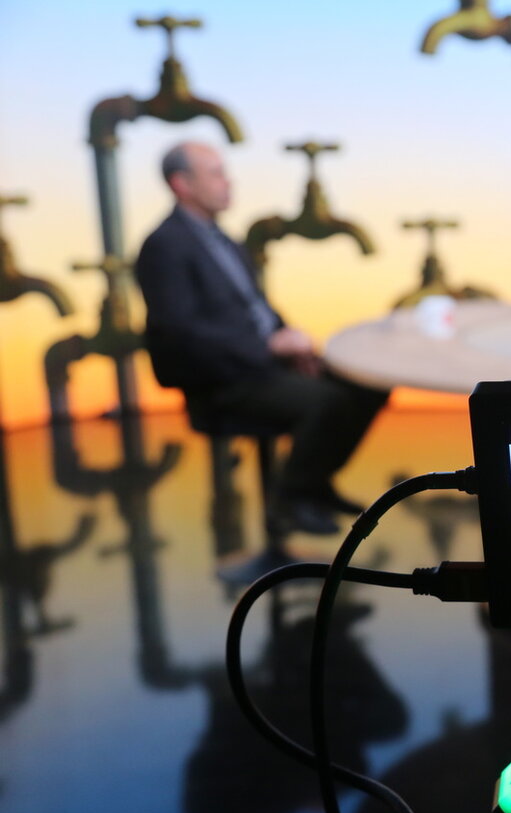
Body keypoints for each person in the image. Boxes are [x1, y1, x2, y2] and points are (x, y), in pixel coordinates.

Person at [133, 141, 388, 535]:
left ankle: (313, 483)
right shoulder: (165, 245)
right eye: (215, 173)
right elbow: (180, 331)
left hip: (267, 365)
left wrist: (290, 341)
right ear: (181, 184)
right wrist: (267, 347)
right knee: (328, 401)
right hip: (223, 380)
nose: (227, 181)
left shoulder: (224, 240)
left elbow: (256, 308)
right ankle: (291, 499)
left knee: (369, 385)